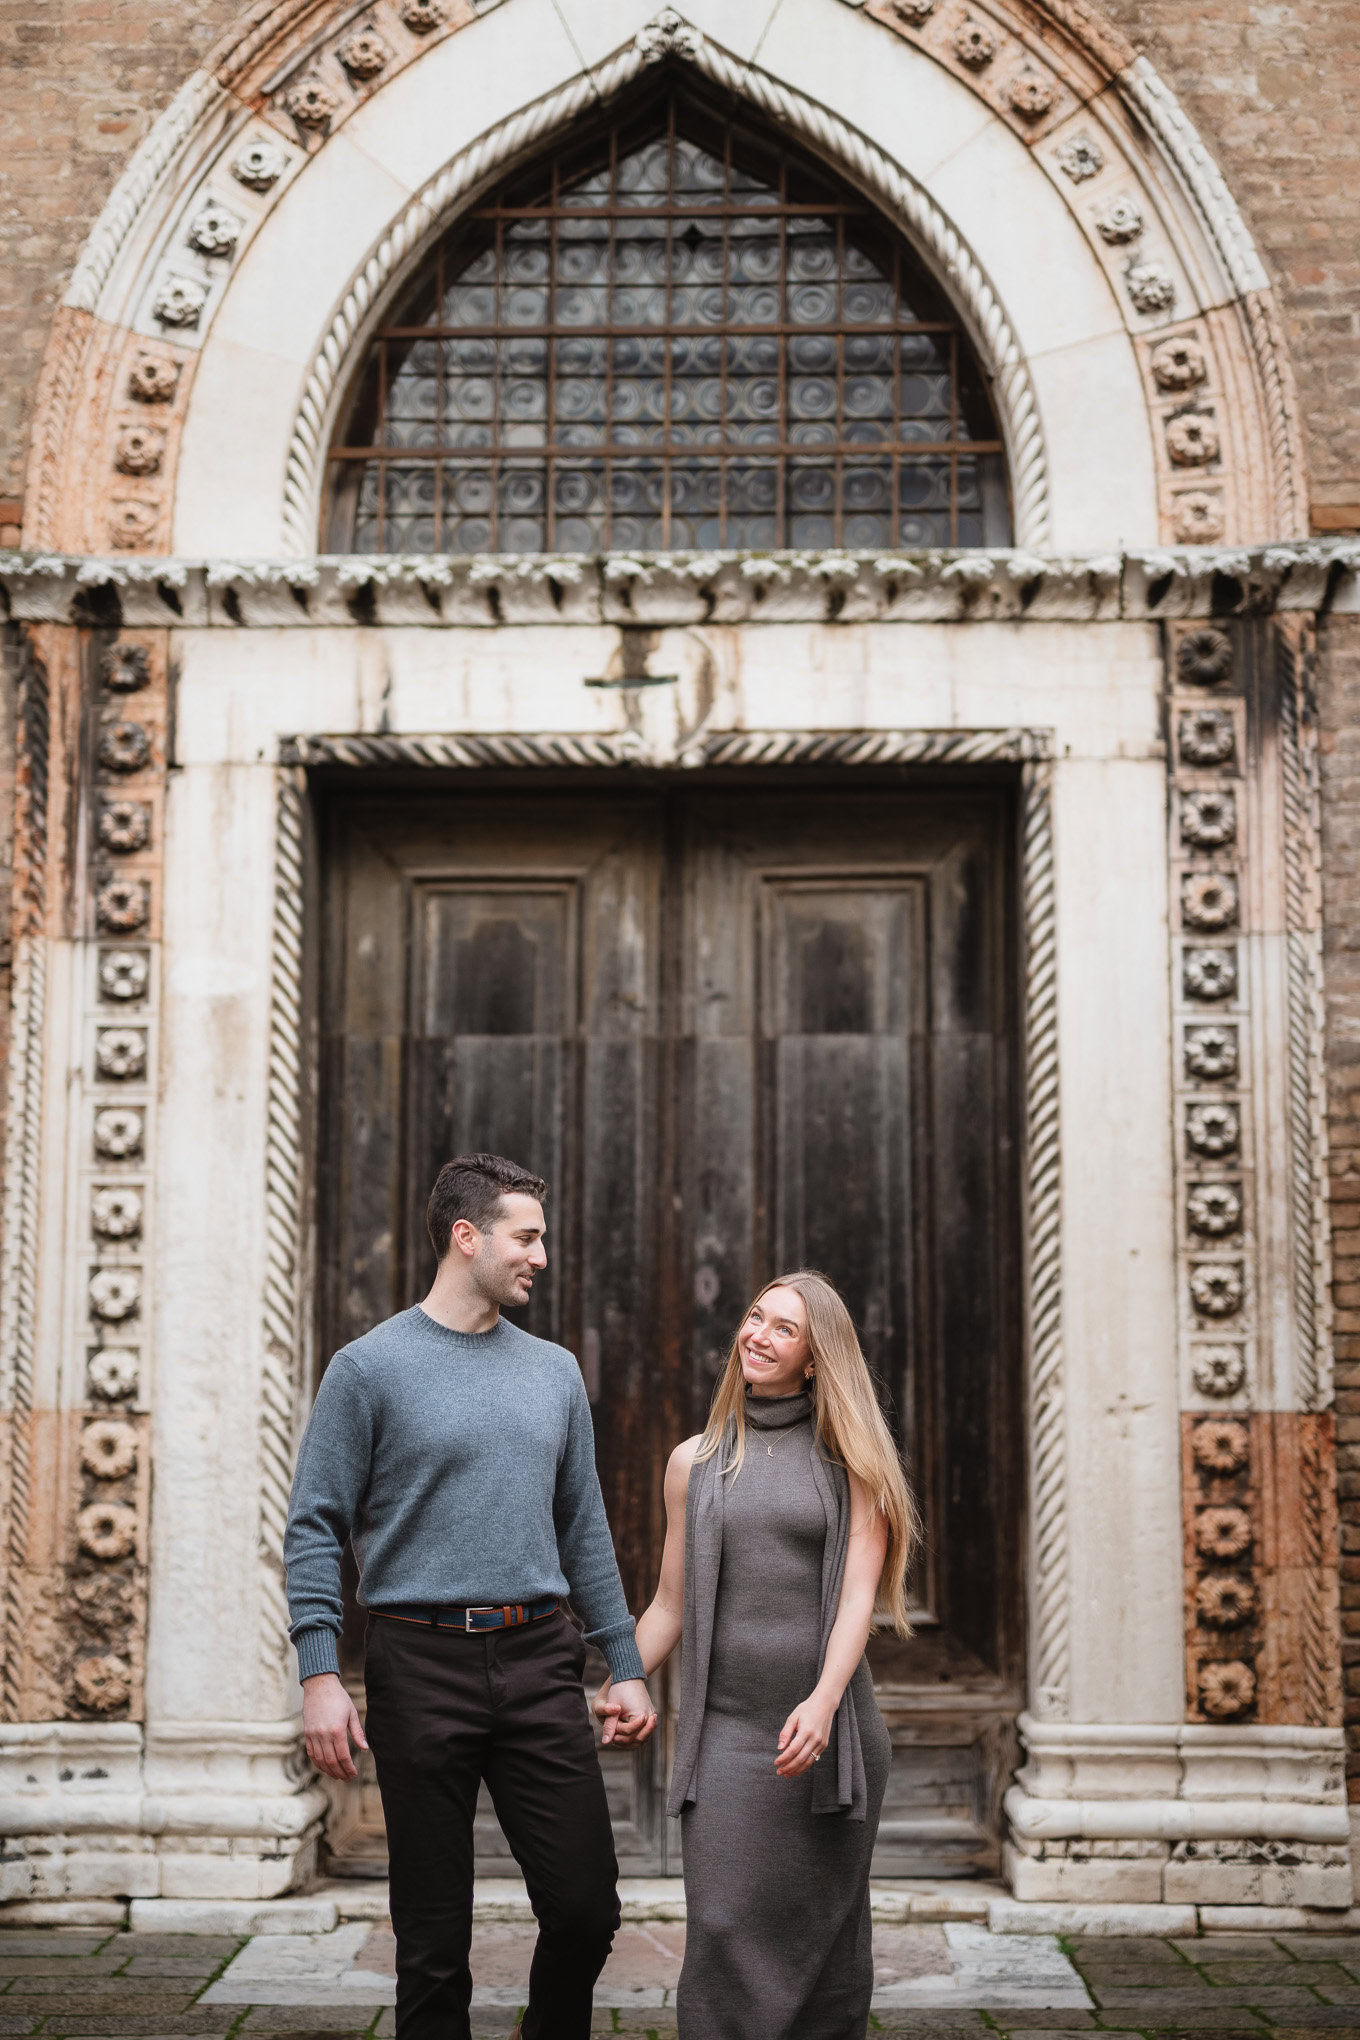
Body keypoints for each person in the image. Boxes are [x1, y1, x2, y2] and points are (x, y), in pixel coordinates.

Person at [284, 1152, 657, 2040]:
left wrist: (627, 1663)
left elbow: (585, 1529)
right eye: (525, 1237)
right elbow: (313, 1526)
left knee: (584, 1908)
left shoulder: (555, 1372)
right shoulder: (368, 1369)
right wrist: (319, 1674)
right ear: (466, 1236)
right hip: (419, 1661)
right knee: (432, 1938)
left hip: (538, 1659)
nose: (540, 1255)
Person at [596, 1269, 917, 2040]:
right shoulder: (694, 1461)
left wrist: (823, 1700)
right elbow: (670, 1601)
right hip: (730, 1738)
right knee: (722, 1923)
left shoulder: (855, 1464)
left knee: (824, 1939)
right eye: (754, 1318)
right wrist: (622, 1679)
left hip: (827, 1733)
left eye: (783, 1328)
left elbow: (855, 1603)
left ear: (816, 1357)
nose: (757, 1335)